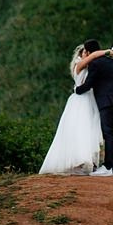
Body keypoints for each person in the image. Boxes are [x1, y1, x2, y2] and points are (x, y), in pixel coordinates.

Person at [38, 44, 105, 175]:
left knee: (89, 129)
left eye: (87, 52)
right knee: (79, 128)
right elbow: (95, 55)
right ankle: (78, 160)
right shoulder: (78, 65)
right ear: (81, 55)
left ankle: (89, 161)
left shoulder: (90, 66)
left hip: (89, 99)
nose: (86, 54)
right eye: (84, 52)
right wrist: (110, 52)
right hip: (81, 100)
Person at [73, 39, 113, 176]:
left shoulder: (94, 64)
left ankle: (108, 167)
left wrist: (76, 90)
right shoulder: (111, 61)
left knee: (107, 133)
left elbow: (89, 84)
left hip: (107, 102)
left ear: (89, 52)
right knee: (110, 132)